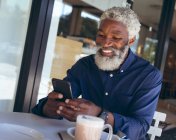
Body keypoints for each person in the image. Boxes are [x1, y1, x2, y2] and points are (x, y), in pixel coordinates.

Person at [32, 7, 162, 140]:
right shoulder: (85, 65)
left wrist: (100, 115)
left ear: (131, 40)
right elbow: (58, 101)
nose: (105, 43)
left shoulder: (148, 76)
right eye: (101, 35)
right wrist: (48, 107)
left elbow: (139, 129)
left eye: (116, 37)